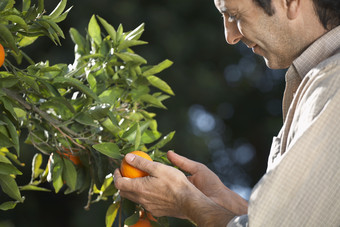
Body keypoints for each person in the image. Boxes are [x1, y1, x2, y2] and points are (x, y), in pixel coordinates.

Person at [114, 0, 340, 226]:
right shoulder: (321, 81)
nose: (230, 36)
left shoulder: (333, 85)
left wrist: (186, 201)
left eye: (234, 15)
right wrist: (229, 207)